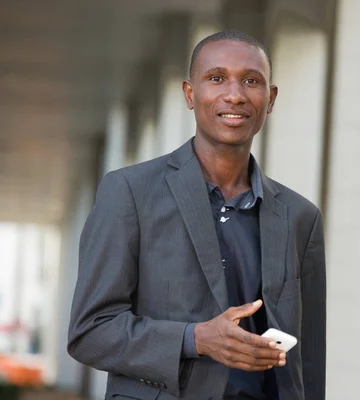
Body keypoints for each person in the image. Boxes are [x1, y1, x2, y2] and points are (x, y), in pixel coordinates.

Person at [67, 30, 326, 400]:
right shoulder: (129, 192)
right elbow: (90, 333)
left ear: (270, 99)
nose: (235, 94)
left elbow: (309, 359)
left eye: (251, 81)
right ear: (190, 94)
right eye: (216, 78)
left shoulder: (301, 216)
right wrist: (194, 339)